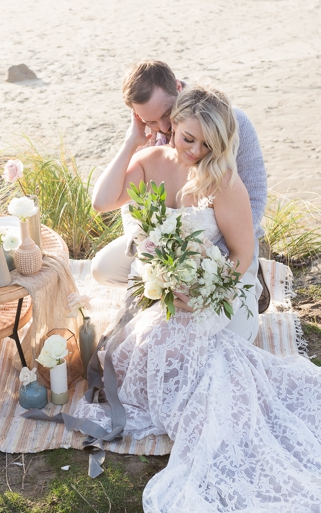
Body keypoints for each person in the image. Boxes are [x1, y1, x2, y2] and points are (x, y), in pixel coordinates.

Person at [75, 85, 321, 513]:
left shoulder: (222, 181)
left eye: (206, 143)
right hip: (175, 292)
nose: (195, 151)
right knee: (135, 358)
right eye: (187, 138)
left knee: (208, 373)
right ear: (172, 126)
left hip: (221, 296)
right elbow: (103, 199)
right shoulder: (152, 163)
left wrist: (204, 286)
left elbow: (241, 257)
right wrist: (134, 141)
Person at [90, 60, 268, 341]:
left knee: (231, 338)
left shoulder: (227, 123)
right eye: (149, 121)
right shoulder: (153, 139)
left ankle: (254, 281)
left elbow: (255, 197)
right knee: (102, 269)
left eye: (164, 115)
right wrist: (155, 256)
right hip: (167, 248)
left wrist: (207, 262)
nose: (161, 128)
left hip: (224, 247)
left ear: (176, 89)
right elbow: (124, 203)